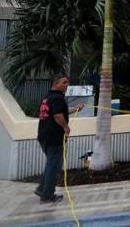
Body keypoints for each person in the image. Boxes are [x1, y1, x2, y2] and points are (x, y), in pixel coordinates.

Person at [35, 74, 83, 203]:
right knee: (54, 166)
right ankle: (47, 195)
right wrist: (66, 127)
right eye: (64, 82)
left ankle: (41, 189)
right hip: (54, 137)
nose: (67, 85)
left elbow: (60, 112)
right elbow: (57, 116)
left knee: (51, 164)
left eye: (67, 82)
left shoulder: (48, 96)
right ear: (56, 84)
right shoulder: (58, 98)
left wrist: (75, 109)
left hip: (44, 136)